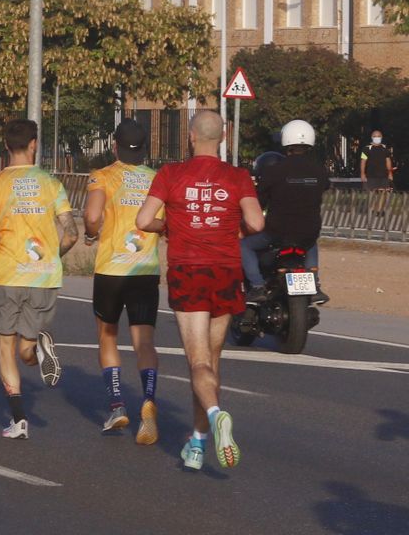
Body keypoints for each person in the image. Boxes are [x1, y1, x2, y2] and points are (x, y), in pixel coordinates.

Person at [136, 110, 263, 472]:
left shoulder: (171, 174)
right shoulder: (237, 176)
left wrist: (169, 226)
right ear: (222, 138)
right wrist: (231, 229)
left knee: (198, 361)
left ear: (191, 136)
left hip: (188, 271)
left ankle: (215, 414)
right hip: (225, 271)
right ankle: (197, 441)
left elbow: (143, 220)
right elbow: (256, 222)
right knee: (213, 360)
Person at [0, 118, 78, 439]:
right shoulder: (52, 184)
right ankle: (39, 346)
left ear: (5, 146)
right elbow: (71, 233)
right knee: (26, 352)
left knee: (5, 348)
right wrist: (53, 257)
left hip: (7, 276)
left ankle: (19, 419)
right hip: (45, 277)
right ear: (34, 144)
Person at [83, 119, 162, 443]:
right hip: (145, 270)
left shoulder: (102, 176)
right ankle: (149, 400)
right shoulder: (157, 180)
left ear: (114, 146)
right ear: (144, 149)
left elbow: (91, 217)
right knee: (144, 342)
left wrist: (91, 234)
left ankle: (117, 404)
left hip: (112, 271)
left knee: (108, 337)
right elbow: (161, 222)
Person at [242, 120, 330, 306]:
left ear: (285, 141)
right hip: (309, 231)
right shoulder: (319, 171)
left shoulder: (274, 171)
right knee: (310, 242)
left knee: (244, 246)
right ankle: (314, 282)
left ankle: (257, 286)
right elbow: (325, 187)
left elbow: (260, 201)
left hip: (276, 233)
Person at [360, 129, 395, 213]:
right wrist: (362, 173)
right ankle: (372, 209)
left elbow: (388, 161)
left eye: (378, 136)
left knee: (383, 193)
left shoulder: (385, 149)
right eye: (375, 136)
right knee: (372, 193)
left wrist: (390, 173)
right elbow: (363, 161)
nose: (377, 138)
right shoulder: (366, 149)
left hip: (383, 175)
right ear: (372, 137)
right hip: (371, 175)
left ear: (381, 137)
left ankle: (380, 210)